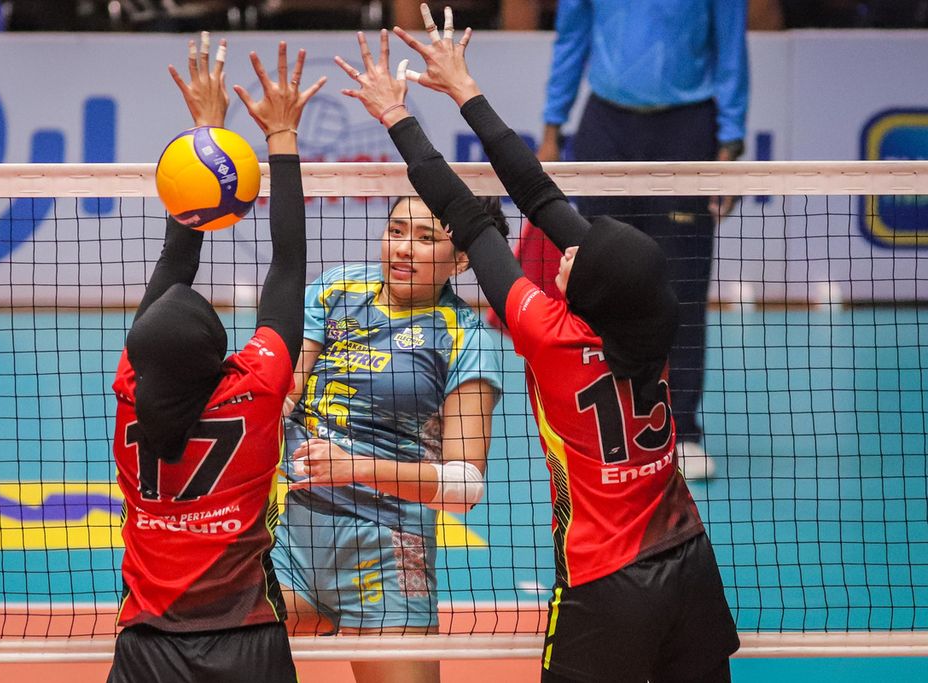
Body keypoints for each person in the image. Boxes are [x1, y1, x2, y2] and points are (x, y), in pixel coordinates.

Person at [335, 6, 739, 681]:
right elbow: (539, 191)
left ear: (594, 291)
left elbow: (467, 214)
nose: (564, 256)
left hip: (606, 584)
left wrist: (397, 115)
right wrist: (465, 89)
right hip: (691, 562)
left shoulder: (550, 336)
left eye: (579, 260)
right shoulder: (650, 322)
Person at [271, 78, 507, 683]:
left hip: (386, 548)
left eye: (426, 238)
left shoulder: (466, 338)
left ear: (461, 260)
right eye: (396, 230)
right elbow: (290, 384)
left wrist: (356, 468)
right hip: (289, 539)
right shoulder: (338, 288)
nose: (402, 249)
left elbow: (463, 486)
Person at [107, 34, 326, 683]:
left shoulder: (129, 396)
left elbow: (174, 264)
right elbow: (288, 265)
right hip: (246, 645)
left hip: (148, 644)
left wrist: (204, 138)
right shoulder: (254, 389)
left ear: (141, 358)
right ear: (221, 355)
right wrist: (279, 138)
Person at [535, 0, 750, 480]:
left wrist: (730, 145)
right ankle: (599, 426)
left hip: (688, 129)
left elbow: (731, 50)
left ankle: (683, 431)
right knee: (595, 285)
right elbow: (571, 41)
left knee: (684, 288)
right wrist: (552, 128)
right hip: (605, 128)